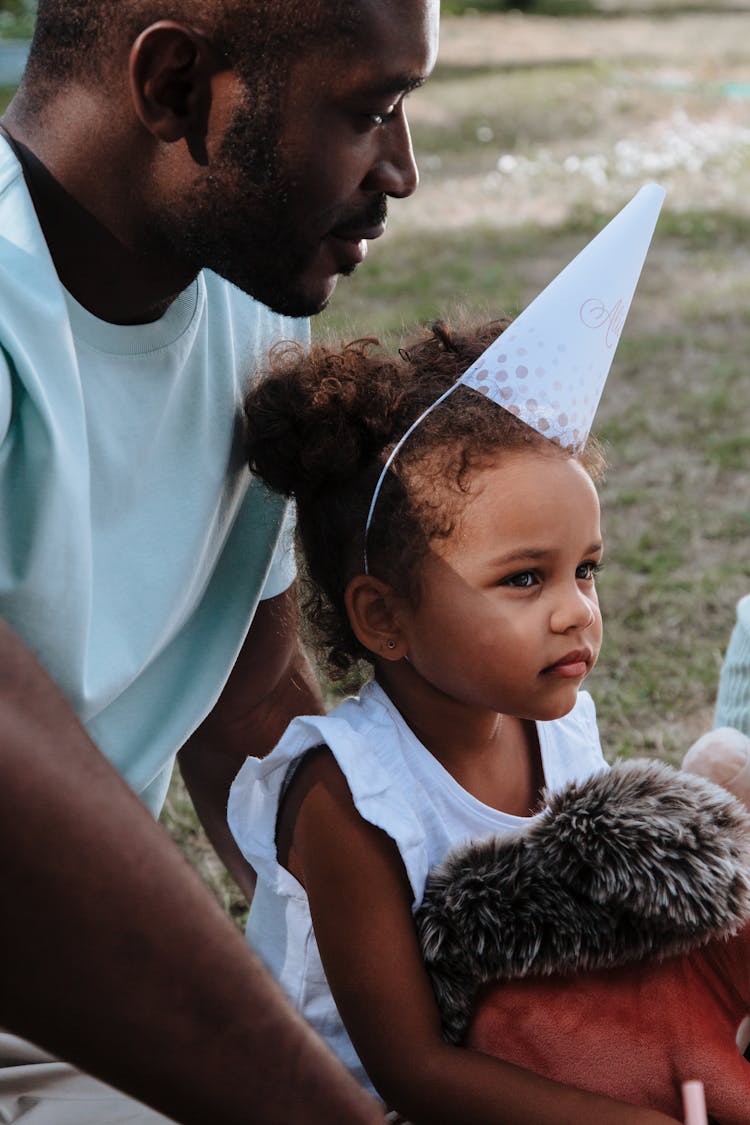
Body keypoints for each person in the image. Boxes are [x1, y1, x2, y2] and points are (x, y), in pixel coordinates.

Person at [0, 1, 438, 1122]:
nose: (402, 171)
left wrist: (428, 980)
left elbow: (244, 706)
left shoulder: (247, 318)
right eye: (371, 111)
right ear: (176, 88)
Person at [228, 314, 681, 1123]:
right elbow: (411, 1068)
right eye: (523, 580)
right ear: (383, 618)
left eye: (586, 569)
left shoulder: (563, 725)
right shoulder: (349, 796)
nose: (576, 611)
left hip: (522, 1058)